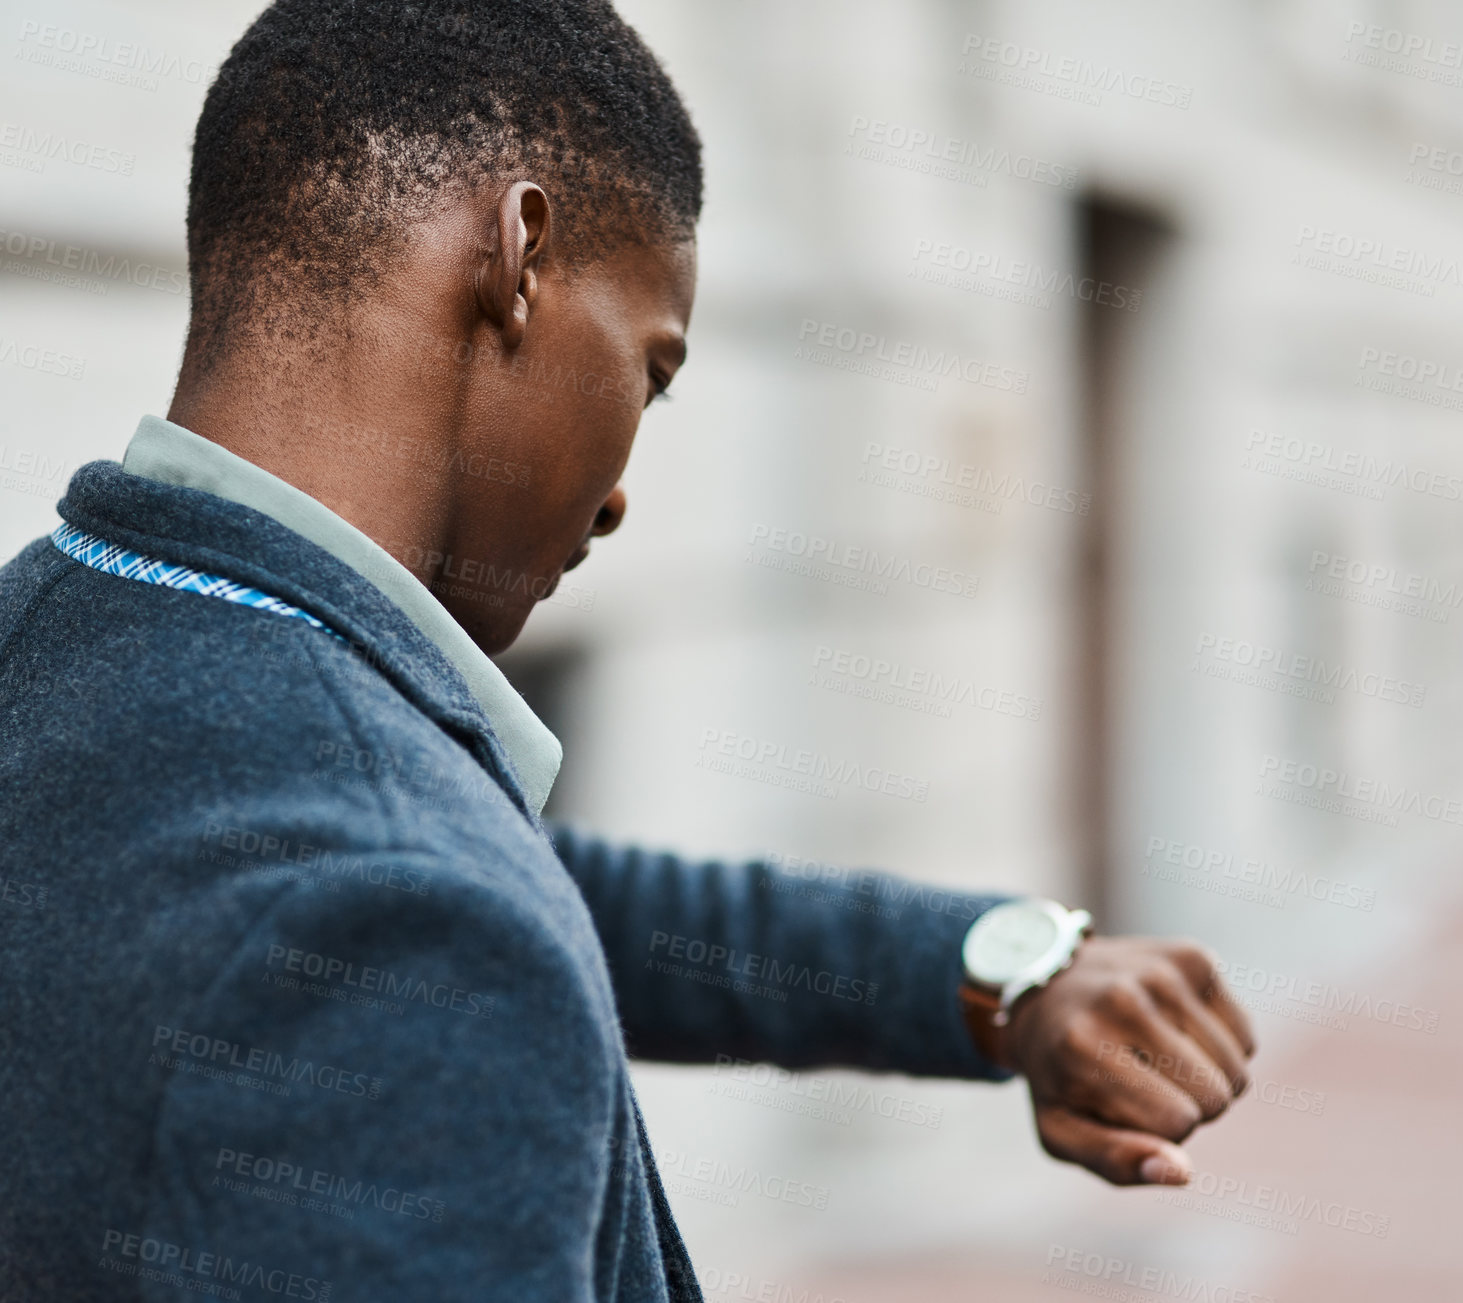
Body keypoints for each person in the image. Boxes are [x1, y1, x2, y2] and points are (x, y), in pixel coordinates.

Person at [0, 2, 1254, 1298]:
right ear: (521, 257)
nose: (613, 499)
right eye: (650, 372)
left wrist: (994, 975)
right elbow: (443, 910)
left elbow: (520, 883)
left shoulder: (69, 629)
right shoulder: (402, 909)